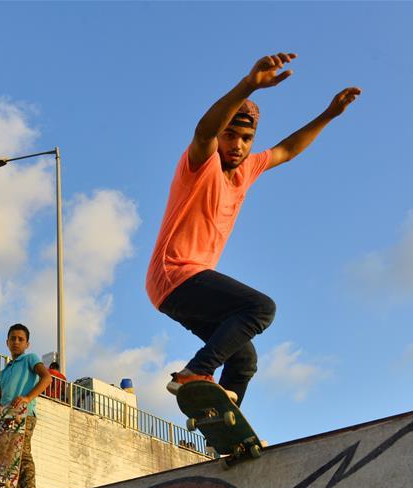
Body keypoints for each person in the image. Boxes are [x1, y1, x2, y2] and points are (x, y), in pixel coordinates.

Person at [146, 52, 360, 406]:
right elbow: (205, 130)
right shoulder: (200, 163)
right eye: (230, 136)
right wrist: (249, 85)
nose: (237, 146)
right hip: (175, 274)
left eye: (246, 138)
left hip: (181, 289)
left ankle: (219, 421)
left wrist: (329, 115)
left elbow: (287, 150)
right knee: (260, 308)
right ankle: (192, 374)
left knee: (244, 360)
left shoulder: (248, 169)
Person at [0, 323, 51, 488]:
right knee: (9, 458)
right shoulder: (5, 371)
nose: (16, 342)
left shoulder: (30, 359)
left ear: (27, 344)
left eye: (20, 339)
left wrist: (27, 398)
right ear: (6, 342)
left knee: (22, 453)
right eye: (13, 338)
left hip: (24, 414)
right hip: (5, 418)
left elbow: (47, 378)